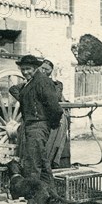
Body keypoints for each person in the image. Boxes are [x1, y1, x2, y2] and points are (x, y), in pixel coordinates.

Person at [10, 55, 63, 188]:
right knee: (43, 163)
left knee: (33, 166)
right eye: (23, 69)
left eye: (28, 69)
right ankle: (52, 198)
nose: (25, 72)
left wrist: (51, 124)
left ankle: (33, 203)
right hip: (31, 126)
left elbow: (55, 108)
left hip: (38, 126)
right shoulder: (31, 81)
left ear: (35, 68)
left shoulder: (43, 82)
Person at [40, 59, 71, 169]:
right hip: (39, 114)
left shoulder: (57, 84)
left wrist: (51, 82)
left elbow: (57, 97)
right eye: (42, 68)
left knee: (60, 124)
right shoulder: (35, 82)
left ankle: (54, 160)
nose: (43, 71)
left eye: (46, 69)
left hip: (52, 113)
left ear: (51, 71)